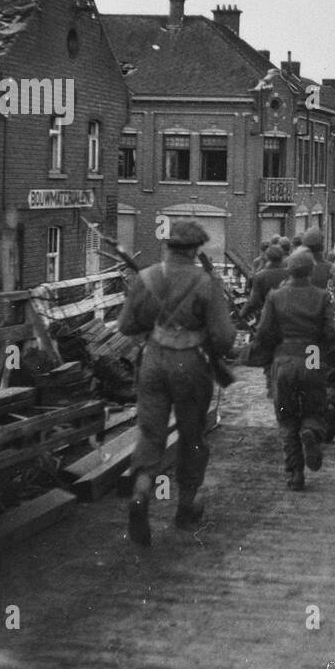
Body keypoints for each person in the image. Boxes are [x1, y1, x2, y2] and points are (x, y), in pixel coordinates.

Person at [117, 219, 236, 546]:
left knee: (151, 433)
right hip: (191, 365)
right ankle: (184, 508)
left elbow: (126, 326)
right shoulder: (206, 282)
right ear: (196, 249)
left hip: (154, 362)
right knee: (191, 436)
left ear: (168, 245)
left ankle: (142, 492)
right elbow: (224, 338)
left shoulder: (148, 277)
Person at [254, 249, 335, 491]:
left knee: (286, 417)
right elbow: (333, 331)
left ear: (288, 270)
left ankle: (295, 474)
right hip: (312, 358)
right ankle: (311, 431)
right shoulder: (323, 296)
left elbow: (263, 333)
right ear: (311, 270)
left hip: (284, 360)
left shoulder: (275, 296)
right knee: (315, 407)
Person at [299, 227, 335, 441]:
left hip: (305, 340)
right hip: (330, 338)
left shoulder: (298, 270)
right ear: (324, 247)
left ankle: (310, 423)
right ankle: (329, 409)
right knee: (329, 381)